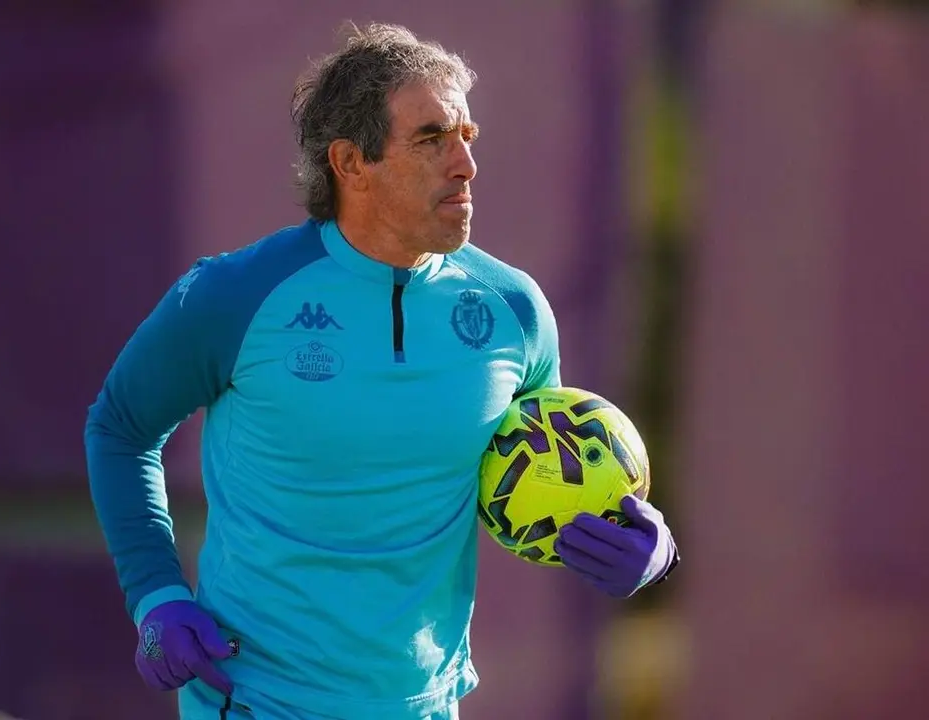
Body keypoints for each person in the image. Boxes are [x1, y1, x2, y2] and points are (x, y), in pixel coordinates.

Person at [85, 22, 678, 720]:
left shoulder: (513, 310)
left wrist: (651, 547)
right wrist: (156, 593)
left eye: (467, 137)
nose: (465, 165)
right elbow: (120, 428)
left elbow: (541, 472)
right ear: (350, 162)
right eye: (431, 139)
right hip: (253, 702)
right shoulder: (232, 296)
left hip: (425, 706)